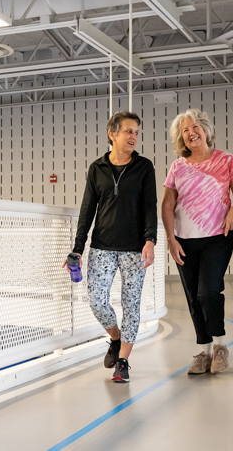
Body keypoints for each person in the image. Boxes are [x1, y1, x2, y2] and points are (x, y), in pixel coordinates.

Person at [67, 110, 158, 383]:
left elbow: (149, 207)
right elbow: (87, 210)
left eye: (136, 132)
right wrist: (78, 248)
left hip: (135, 249)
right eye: (128, 131)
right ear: (112, 133)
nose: (133, 136)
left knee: (131, 305)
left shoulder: (144, 167)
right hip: (102, 246)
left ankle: (123, 361)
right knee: (96, 300)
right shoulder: (97, 168)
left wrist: (150, 241)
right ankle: (115, 338)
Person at [161, 109, 233, 375]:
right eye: (185, 130)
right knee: (192, 298)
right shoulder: (178, 166)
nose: (191, 133)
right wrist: (171, 239)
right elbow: (166, 204)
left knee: (207, 292)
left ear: (207, 130)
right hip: (185, 240)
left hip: (217, 237)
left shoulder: (226, 160)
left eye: (195, 126)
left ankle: (220, 345)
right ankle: (204, 350)